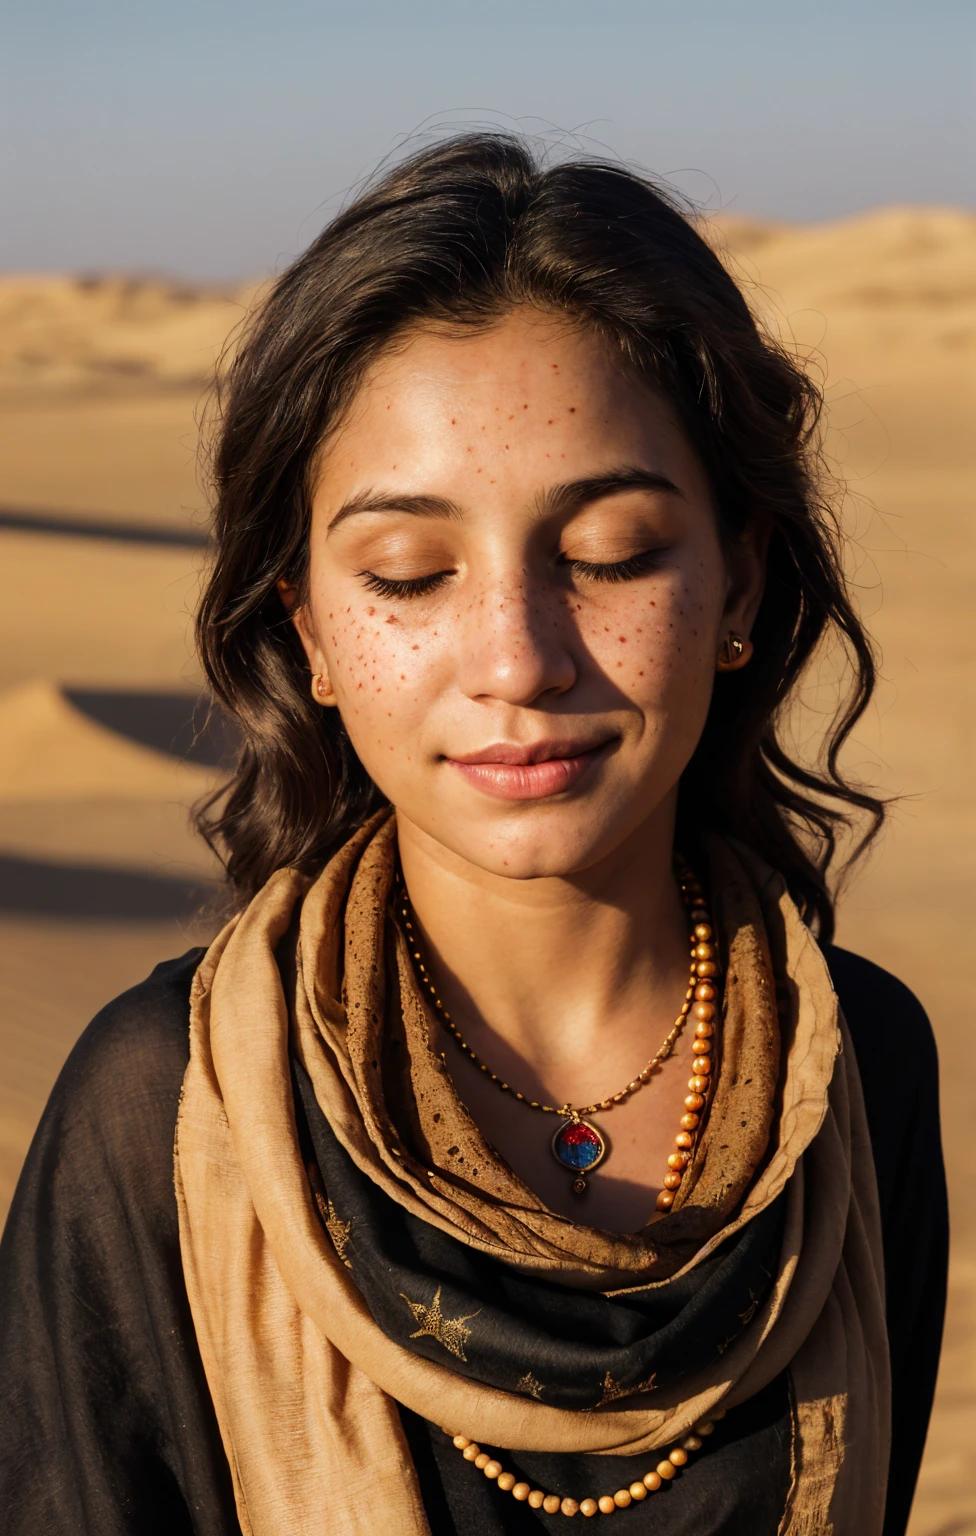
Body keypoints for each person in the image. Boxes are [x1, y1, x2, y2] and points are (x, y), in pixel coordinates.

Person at [0, 135, 947, 1535]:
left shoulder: (853, 1070)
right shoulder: (169, 1117)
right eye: (409, 574)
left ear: (741, 578)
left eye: (612, 552)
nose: (516, 658)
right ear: (309, 627)